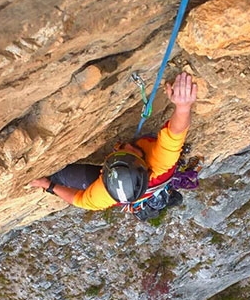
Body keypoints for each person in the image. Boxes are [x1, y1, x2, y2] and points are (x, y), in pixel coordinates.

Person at [30, 72, 197, 215]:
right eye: (126, 150)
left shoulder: (104, 194)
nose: (128, 145)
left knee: (61, 175)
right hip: (141, 165)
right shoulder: (163, 164)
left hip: (117, 183)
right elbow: (175, 134)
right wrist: (183, 108)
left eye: (125, 148)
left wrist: (49, 185)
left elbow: (79, 200)